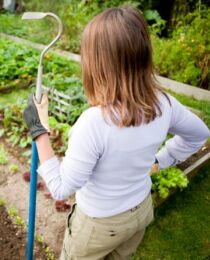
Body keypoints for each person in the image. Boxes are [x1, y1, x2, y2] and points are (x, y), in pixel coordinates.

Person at [23, 6, 210, 260]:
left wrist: (38, 132)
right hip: (140, 213)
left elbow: (61, 187)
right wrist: (159, 161)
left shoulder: (94, 123)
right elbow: (199, 134)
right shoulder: (164, 104)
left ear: (98, 64)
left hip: (99, 226)